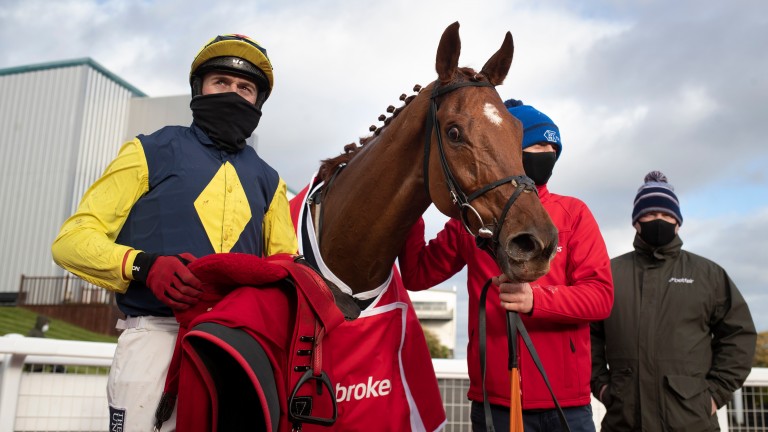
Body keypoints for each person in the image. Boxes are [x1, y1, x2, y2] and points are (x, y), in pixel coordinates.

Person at [51, 33, 297, 431]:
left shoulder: (271, 181)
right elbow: (71, 241)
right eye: (221, 82)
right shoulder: (147, 151)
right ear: (198, 90)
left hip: (238, 345)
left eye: (245, 88)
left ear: (258, 103)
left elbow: (283, 266)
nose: (233, 93)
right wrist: (143, 266)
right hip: (155, 337)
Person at [399, 100, 613, 432]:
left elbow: (600, 297)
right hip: (494, 402)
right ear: (511, 151)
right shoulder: (471, 218)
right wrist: (412, 204)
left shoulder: (575, 213)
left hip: (566, 406)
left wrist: (537, 301)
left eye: (552, 146)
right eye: (536, 144)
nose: (546, 152)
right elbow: (416, 273)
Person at [591, 171, 756, 431]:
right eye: (650, 214)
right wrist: (602, 387)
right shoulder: (609, 274)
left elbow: (739, 336)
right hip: (624, 420)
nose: (660, 220)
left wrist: (714, 395)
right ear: (636, 221)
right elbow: (587, 336)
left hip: (692, 420)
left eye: (667, 215)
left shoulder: (707, 274)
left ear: (678, 223)